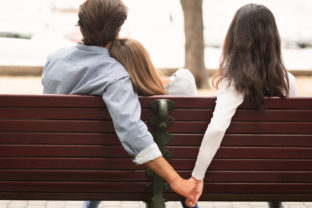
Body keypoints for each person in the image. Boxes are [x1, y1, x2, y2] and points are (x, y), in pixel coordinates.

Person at [41, 0, 197, 206]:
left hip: (54, 163)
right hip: (102, 168)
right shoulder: (115, 74)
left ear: (81, 25)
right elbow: (130, 129)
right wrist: (176, 180)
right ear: (118, 29)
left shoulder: (54, 59)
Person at [185, 3, 298, 207]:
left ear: (235, 40)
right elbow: (291, 135)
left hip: (233, 176)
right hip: (278, 177)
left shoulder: (234, 83)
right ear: (273, 39)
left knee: (188, 191)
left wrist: (197, 176)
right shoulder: (289, 81)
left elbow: (217, 128)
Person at [84, 38, 198, 208]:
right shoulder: (183, 83)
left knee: (106, 165)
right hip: (172, 174)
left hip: (116, 174)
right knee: (178, 158)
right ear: (146, 60)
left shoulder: (108, 99)